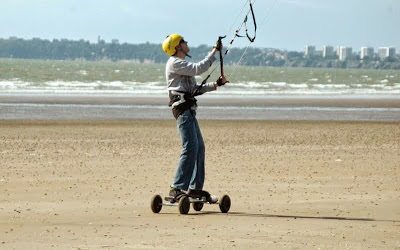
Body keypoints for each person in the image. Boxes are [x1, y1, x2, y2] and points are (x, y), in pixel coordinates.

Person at [162, 33, 227, 202]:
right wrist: (214, 52)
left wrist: (215, 85)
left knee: (199, 148)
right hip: (182, 110)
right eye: (183, 41)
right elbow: (199, 68)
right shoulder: (175, 62)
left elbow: (194, 89)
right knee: (190, 148)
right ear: (177, 47)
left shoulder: (182, 65)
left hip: (189, 109)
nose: (186, 43)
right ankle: (176, 188)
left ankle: (195, 189)